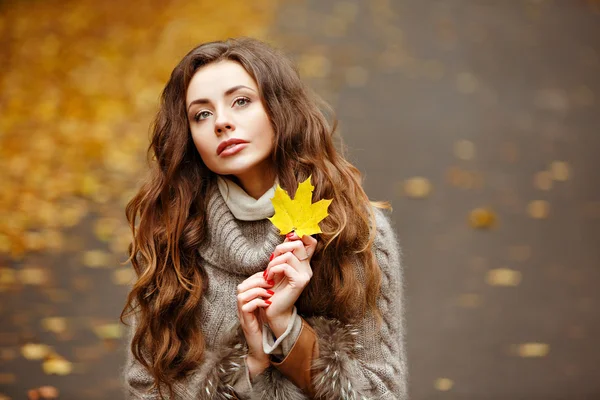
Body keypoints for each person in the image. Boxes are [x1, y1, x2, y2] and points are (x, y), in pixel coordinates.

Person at [121, 37, 407, 400]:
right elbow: (146, 390)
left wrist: (287, 331)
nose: (221, 122)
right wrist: (249, 365)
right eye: (201, 114)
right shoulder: (172, 237)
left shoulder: (353, 229)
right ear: (190, 137)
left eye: (241, 101)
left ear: (278, 108)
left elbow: (382, 394)